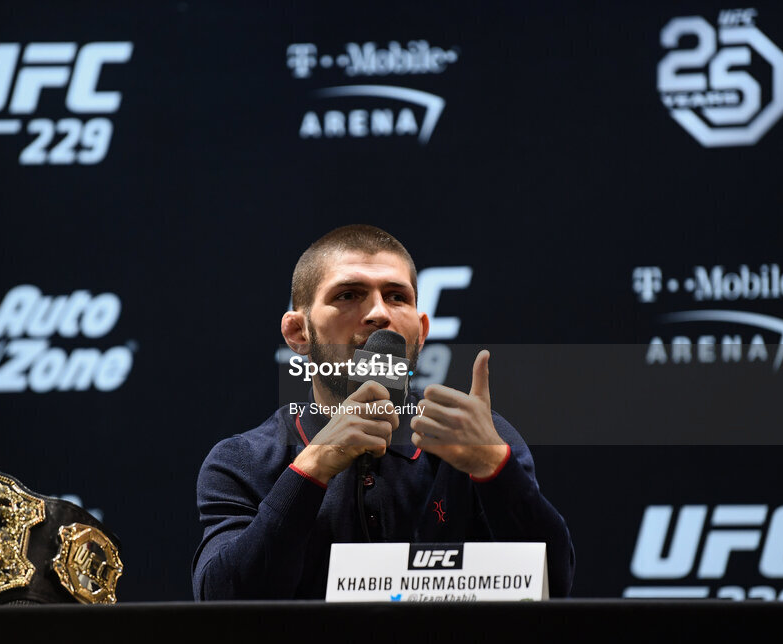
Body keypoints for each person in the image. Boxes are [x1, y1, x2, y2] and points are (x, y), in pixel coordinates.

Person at [192, 224, 574, 599]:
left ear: (421, 332)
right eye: (348, 295)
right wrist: (312, 469)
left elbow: (553, 585)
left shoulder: (477, 439)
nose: (378, 313)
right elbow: (220, 605)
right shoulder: (242, 461)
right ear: (298, 332)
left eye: (396, 297)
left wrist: (494, 468)